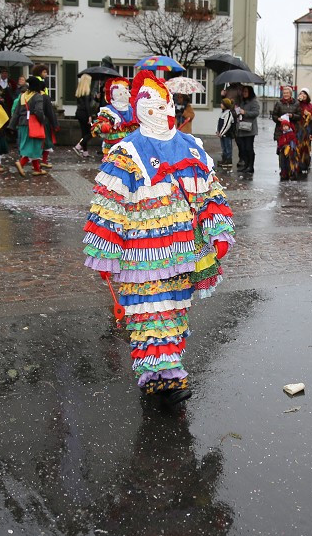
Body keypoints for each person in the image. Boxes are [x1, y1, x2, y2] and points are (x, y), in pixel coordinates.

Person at [82, 70, 234, 406]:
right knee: (150, 314)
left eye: (165, 104)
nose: (163, 111)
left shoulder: (190, 146)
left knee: (174, 313)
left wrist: (218, 228)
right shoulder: (128, 151)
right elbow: (111, 204)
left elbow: (209, 192)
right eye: (153, 105)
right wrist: (104, 248)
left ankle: (168, 374)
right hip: (141, 256)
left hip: (182, 252)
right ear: (141, 109)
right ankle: (158, 380)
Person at [11, 75, 57, 177]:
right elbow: (39, 111)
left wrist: (12, 125)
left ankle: (37, 169)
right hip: (33, 125)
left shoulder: (23, 96)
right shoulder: (37, 96)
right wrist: (42, 121)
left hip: (22, 124)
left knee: (28, 145)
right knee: (34, 146)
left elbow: (16, 112)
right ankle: (21, 163)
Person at [92, 78, 135, 157]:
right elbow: (96, 128)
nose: (129, 95)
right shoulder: (108, 111)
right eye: (125, 92)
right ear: (118, 94)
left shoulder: (132, 110)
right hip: (113, 150)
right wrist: (102, 126)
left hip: (130, 149)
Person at [234, 85, 259, 175]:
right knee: (243, 148)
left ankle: (250, 166)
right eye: (243, 91)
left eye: (246, 92)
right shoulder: (241, 102)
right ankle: (245, 164)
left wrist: (245, 112)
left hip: (249, 129)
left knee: (249, 148)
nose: (244, 93)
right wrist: (237, 109)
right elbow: (237, 113)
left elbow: (256, 113)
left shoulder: (253, 102)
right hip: (241, 128)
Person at [72, 73, 94, 159]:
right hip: (85, 113)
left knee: (84, 133)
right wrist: (89, 115)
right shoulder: (87, 92)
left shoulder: (79, 91)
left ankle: (85, 152)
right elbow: (87, 105)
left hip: (79, 113)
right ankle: (78, 146)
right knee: (91, 133)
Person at [295, 88, 312, 176]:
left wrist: (309, 115)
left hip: (307, 129)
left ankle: (305, 165)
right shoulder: (296, 104)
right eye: (301, 94)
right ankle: (297, 165)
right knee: (297, 147)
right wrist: (298, 102)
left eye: (304, 94)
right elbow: (293, 112)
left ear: (307, 95)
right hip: (298, 128)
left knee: (306, 148)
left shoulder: (310, 106)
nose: (302, 95)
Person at [217, 96, 236, 169]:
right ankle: (224, 159)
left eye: (222, 104)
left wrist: (221, 133)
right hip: (222, 134)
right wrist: (217, 131)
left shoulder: (228, 113)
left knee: (228, 147)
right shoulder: (223, 113)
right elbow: (218, 122)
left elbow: (227, 125)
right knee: (224, 147)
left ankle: (228, 160)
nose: (220, 105)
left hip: (227, 134)